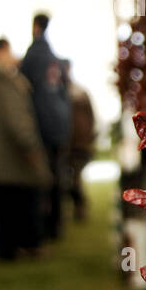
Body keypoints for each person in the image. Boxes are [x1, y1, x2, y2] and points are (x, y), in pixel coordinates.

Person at [0, 39, 51, 261]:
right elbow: (17, 121)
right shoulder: (7, 83)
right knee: (15, 205)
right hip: (11, 156)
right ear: (1, 52)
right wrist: (30, 145)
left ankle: (8, 252)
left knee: (4, 210)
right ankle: (21, 249)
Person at [20, 13, 72, 240]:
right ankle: (56, 225)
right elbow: (64, 90)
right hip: (59, 124)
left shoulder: (32, 56)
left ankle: (41, 227)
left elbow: (23, 91)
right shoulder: (54, 57)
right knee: (56, 176)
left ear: (35, 26)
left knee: (39, 178)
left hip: (41, 124)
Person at [64, 64, 96, 221]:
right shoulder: (69, 92)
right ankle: (78, 207)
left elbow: (90, 117)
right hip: (70, 142)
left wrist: (89, 136)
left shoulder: (79, 93)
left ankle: (79, 208)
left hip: (79, 142)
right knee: (71, 179)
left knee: (75, 178)